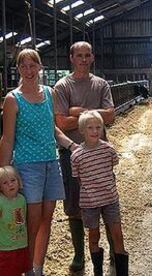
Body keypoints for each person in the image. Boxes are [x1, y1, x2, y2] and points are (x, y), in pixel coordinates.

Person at [0, 48, 76, 276]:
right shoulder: (13, 99)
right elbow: (8, 138)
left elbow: (52, 128)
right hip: (27, 166)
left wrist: (72, 146)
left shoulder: (49, 93)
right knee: (31, 221)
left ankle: (38, 267)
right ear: (18, 69)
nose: (28, 70)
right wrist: (3, 173)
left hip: (51, 163)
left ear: (40, 67)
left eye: (33, 65)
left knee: (48, 216)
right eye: (23, 66)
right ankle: (26, 269)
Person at [53, 41, 115, 271]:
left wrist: (78, 113)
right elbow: (61, 122)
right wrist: (95, 116)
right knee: (73, 203)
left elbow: (110, 116)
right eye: (79, 55)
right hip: (72, 153)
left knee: (107, 199)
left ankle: (112, 248)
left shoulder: (101, 84)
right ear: (71, 58)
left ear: (92, 57)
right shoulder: (62, 85)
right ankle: (79, 254)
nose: (83, 59)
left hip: (100, 153)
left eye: (87, 55)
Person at [71, 111, 128, 275]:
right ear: (82, 130)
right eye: (90, 128)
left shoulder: (109, 150)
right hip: (89, 203)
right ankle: (98, 271)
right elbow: (79, 179)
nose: (95, 131)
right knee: (93, 235)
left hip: (110, 199)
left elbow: (111, 169)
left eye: (98, 127)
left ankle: (122, 271)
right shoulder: (76, 156)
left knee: (117, 233)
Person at [0, 166, 31, 275]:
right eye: (5, 183)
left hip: (21, 244)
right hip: (4, 247)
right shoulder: (1, 201)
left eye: (13, 180)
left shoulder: (22, 199)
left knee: (18, 270)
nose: (10, 184)